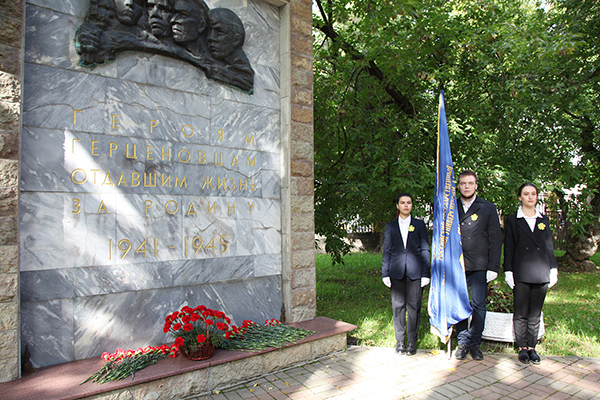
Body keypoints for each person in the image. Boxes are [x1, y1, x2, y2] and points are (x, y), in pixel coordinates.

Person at [503, 182, 558, 365]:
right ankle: (521, 347)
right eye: (526, 194)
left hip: (541, 271)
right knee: (521, 312)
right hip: (521, 271)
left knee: (535, 312)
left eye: (533, 193)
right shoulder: (512, 220)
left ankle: (532, 347)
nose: (530, 197)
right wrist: (508, 271)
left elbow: (549, 246)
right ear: (520, 197)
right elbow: (509, 247)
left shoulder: (543, 220)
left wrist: (553, 268)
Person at [454, 170, 502, 361]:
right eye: (463, 183)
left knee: (479, 305)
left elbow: (495, 239)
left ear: (476, 186)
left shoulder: (487, 208)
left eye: (470, 183)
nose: (467, 186)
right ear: (459, 186)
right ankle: (463, 341)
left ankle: (475, 342)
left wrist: (493, 267)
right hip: (457, 264)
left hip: (480, 264)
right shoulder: (451, 206)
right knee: (459, 304)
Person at [382, 193, 431, 356]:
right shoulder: (390, 226)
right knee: (398, 307)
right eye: (402, 203)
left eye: (408, 202)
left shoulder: (419, 225)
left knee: (414, 306)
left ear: (412, 205)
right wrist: (385, 273)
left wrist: (426, 273)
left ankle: (411, 341)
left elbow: (425, 249)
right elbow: (387, 251)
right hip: (396, 272)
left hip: (415, 272)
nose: (405, 205)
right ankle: (400, 341)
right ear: (397, 205)